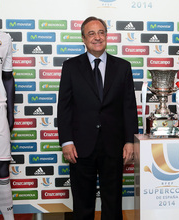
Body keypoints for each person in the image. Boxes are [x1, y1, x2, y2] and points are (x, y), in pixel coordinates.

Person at [57, 16, 138, 220]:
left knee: (113, 203)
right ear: (83, 39)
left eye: (101, 32)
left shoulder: (123, 67)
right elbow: (64, 108)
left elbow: (129, 108)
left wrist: (129, 141)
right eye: (91, 33)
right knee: (83, 205)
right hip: (80, 146)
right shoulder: (71, 67)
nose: (97, 37)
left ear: (107, 36)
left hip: (114, 146)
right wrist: (66, 141)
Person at [0, 29, 15, 219]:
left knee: (1, 167)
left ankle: (9, 217)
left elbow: (7, 78)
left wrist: (10, 112)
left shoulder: (3, 38)